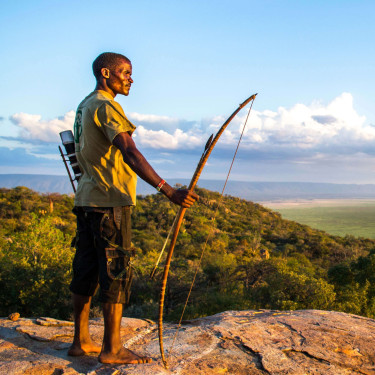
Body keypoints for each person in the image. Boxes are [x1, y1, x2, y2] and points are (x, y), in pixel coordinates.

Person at [68, 52, 198, 365]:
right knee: (115, 271)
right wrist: (168, 190)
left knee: (85, 269)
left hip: (86, 199)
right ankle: (112, 349)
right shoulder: (106, 106)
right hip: (109, 202)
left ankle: (81, 341)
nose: (130, 78)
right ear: (105, 73)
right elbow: (130, 151)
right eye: (125, 72)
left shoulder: (85, 104)